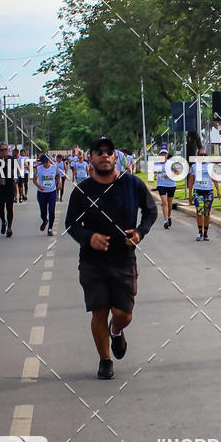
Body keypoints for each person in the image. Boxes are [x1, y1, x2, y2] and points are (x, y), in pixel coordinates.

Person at [65, 135, 157, 380]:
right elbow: (71, 224)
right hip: (93, 261)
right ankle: (105, 360)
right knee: (99, 311)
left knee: (123, 313)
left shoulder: (132, 184)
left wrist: (139, 232)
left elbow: (151, 211)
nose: (104, 155)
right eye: (99, 151)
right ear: (90, 158)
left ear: (116, 156)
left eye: (109, 151)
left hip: (124, 259)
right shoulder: (82, 191)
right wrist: (89, 237)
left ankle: (116, 331)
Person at [187, 149, 221, 241]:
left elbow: (215, 178)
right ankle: (200, 232)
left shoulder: (210, 166)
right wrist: (190, 194)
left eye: (204, 155)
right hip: (198, 191)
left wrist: (218, 190)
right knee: (199, 211)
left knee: (207, 212)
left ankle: (205, 233)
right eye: (201, 155)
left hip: (208, 191)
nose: (202, 157)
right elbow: (190, 181)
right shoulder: (193, 167)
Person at [0, 142, 16, 237]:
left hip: (10, 186)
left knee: (10, 207)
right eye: (1, 150)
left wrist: (15, 176)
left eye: (5, 149)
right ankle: (3, 222)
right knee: (1, 207)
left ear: (8, 150)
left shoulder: (12, 159)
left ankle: (9, 227)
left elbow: (17, 170)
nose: (4, 151)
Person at [34, 153, 60, 235]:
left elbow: (58, 176)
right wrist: (39, 186)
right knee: (43, 212)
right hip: (42, 193)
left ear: (49, 161)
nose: (46, 164)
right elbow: (34, 180)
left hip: (52, 192)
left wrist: (58, 183)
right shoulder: (38, 169)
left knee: (51, 210)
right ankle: (45, 220)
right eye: (44, 162)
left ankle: (50, 229)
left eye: (47, 162)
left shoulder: (54, 168)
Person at [154, 146, 176, 229]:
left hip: (171, 185)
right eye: (161, 154)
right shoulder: (157, 163)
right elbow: (155, 172)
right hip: (161, 185)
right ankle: (166, 220)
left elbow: (177, 173)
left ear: (167, 155)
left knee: (169, 203)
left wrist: (170, 174)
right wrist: (155, 175)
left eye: (164, 154)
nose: (163, 155)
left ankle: (169, 216)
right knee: (164, 202)